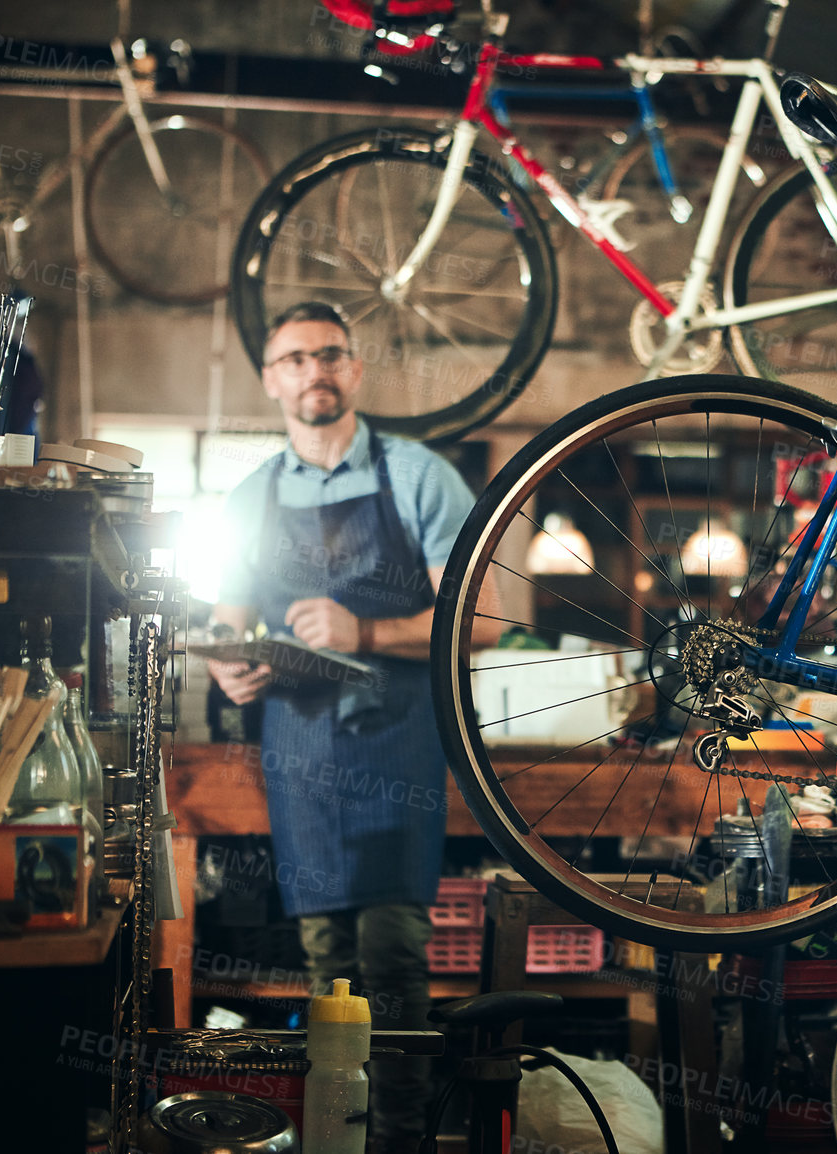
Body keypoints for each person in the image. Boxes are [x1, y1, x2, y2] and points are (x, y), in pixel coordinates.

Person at [207, 301, 497, 1154]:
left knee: (394, 958)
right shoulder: (250, 495)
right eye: (294, 359)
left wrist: (365, 632)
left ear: (356, 368)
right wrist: (233, 666)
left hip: (399, 738)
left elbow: (482, 620)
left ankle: (399, 1142)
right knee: (322, 958)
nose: (313, 371)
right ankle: (335, 1135)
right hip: (299, 750)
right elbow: (229, 628)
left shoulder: (419, 476)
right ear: (271, 380)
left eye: (329, 354)